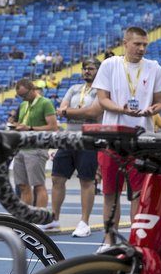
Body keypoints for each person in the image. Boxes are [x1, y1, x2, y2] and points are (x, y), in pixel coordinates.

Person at [93, 27, 161, 248]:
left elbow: (160, 102)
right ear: (125, 43)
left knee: (139, 195)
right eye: (137, 44)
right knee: (110, 193)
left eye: (145, 44)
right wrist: (121, 109)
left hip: (141, 140)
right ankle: (109, 240)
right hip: (112, 138)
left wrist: (153, 109)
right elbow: (102, 99)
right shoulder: (110, 65)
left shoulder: (154, 68)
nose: (142, 48)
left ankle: (136, 242)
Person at [52, 58, 103, 237]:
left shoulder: (102, 91)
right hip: (68, 139)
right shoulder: (74, 88)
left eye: (91, 68)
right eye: (84, 68)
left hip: (88, 140)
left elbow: (93, 113)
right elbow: (61, 109)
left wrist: (68, 112)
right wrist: (70, 112)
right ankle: (54, 219)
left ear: (98, 70)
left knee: (86, 181)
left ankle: (84, 222)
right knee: (57, 178)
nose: (87, 71)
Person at [8, 78, 58, 221]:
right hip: (22, 148)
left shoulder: (45, 103)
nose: (23, 98)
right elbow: (24, 123)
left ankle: (40, 218)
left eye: (24, 95)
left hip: (36, 149)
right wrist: (16, 125)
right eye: (20, 96)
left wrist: (29, 128)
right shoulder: (24, 105)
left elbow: (53, 127)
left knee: (38, 185)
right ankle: (25, 219)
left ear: (32, 89)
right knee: (23, 186)